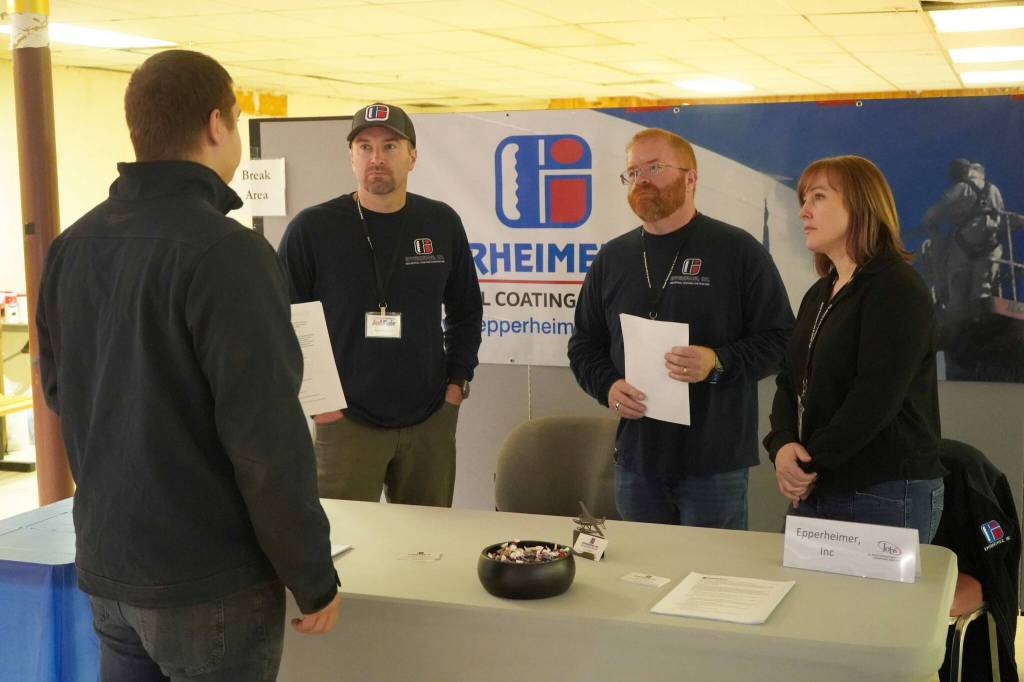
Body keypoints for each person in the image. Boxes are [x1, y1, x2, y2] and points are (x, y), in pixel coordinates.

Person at [36, 50, 340, 681]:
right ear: (215, 124)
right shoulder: (227, 251)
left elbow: (63, 392)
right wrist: (311, 573)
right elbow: (265, 439)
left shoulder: (72, 245)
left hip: (110, 567)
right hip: (208, 581)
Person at [568, 128, 793, 530]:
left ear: (691, 178)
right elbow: (584, 345)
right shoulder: (612, 258)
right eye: (632, 172)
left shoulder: (737, 251)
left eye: (654, 168)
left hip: (714, 463)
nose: (641, 180)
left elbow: (781, 340)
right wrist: (607, 387)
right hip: (638, 461)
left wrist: (717, 361)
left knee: (712, 568)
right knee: (643, 566)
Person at [278, 102, 483, 507]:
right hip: (346, 422)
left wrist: (456, 385)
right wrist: (321, 405)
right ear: (351, 157)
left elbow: (466, 310)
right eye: (365, 147)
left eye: (390, 146)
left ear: (412, 156)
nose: (376, 158)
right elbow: (284, 320)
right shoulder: (312, 229)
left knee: (429, 538)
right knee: (347, 538)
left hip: (430, 419)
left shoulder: (441, 223)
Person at [764, 155, 946, 541]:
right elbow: (789, 381)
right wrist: (781, 445)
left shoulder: (896, 288)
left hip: (883, 491)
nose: (803, 212)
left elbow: (874, 398)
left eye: (818, 197)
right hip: (818, 482)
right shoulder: (820, 293)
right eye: (803, 200)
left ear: (861, 205)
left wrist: (808, 464)